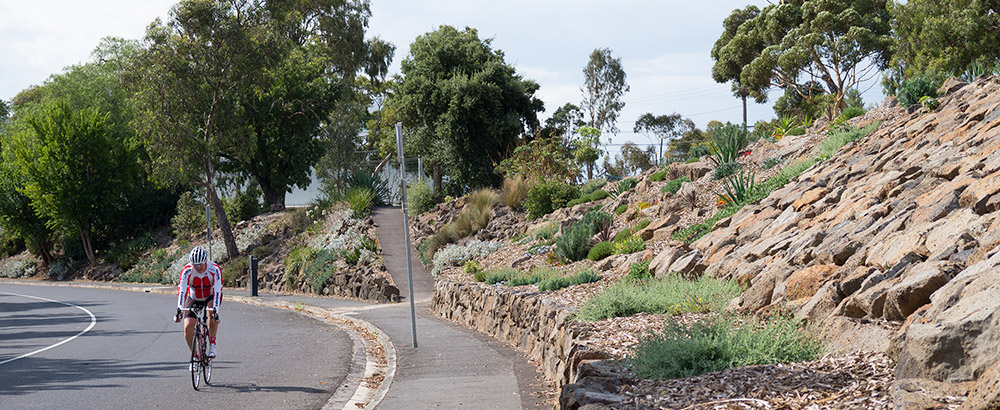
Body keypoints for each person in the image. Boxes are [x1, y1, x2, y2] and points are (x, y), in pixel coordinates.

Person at [174, 245, 222, 362]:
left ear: (206, 261)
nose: (199, 267)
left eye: (201, 264)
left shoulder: (214, 269)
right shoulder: (187, 271)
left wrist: (215, 311)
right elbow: (182, 290)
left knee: (211, 314)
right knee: (187, 327)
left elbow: (217, 291)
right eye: (195, 265)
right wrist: (179, 309)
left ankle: (212, 344)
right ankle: (195, 356)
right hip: (194, 297)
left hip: (210, 296)